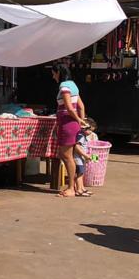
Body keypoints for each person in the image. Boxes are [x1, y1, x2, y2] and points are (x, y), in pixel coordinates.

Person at [52, 63, 87, 198]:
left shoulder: (64, 86)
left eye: (54, 73)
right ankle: (73, 186)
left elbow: (69, 108)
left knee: (66, 156)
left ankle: (71, 188)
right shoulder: (73, 85)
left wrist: (79, 120)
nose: (53, 76)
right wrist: (81, 122)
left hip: (67, 124)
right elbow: (81, 106)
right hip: (71, 124)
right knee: (68, 156)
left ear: (59, 73)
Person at [73, 118, 98, 197]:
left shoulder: (83, 135)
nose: (90, 132)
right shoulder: (81, 135)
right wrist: (85, 155)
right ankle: (79, 190)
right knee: (79, 174)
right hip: (78, 158)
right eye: (90, 130)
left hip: (81, 158)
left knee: (81, 173)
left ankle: (82, 188)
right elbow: (77, 147)